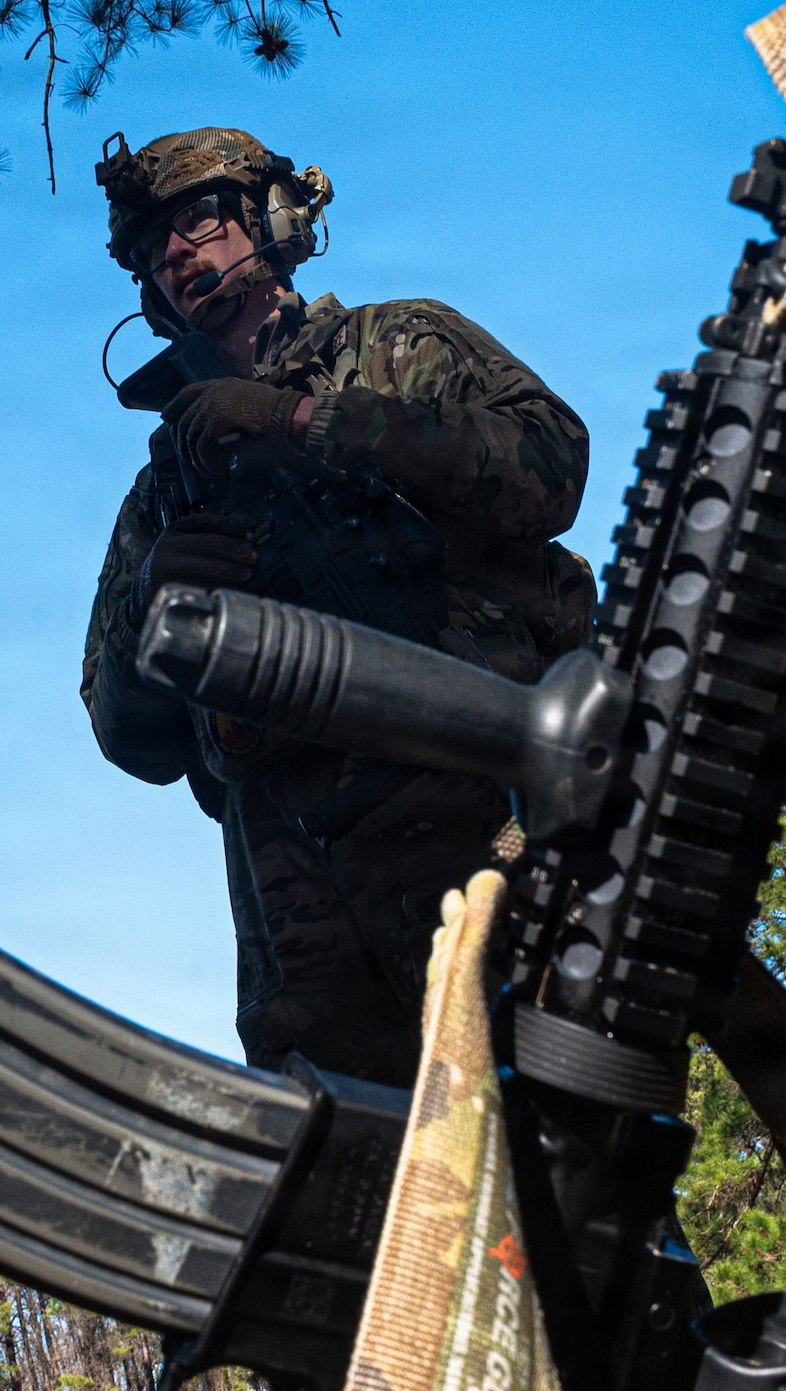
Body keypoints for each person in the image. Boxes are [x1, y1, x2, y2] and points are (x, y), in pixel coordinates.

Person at [82, 127, 595, 1091]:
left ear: (272, 218)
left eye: (198, 219)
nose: (179, 254)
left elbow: (551, 463)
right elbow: (125, 734)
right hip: (302, 914)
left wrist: (307, 423)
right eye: (155, 252)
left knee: (565, 1151)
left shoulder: (399, 343)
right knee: (355, 1207)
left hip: (493, 831)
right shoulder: (168, 490)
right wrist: (159, 605)